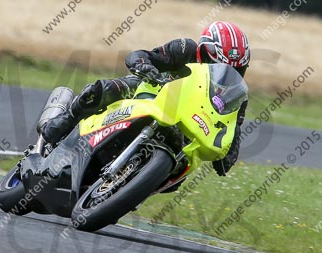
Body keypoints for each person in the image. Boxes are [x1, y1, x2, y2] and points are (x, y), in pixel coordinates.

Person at [41, 21, 250, 176]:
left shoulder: (234, 94)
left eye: (235, 68)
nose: (225, 71)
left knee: (182, 169)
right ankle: (63, 121)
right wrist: (145, 66)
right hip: (150, 93)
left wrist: (227, 154)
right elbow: (141, 55)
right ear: (204, 52)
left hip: (186, 122)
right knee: (103, 89)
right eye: (219, 63)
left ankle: (131, 185)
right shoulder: (185, 49)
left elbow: (233, 128)